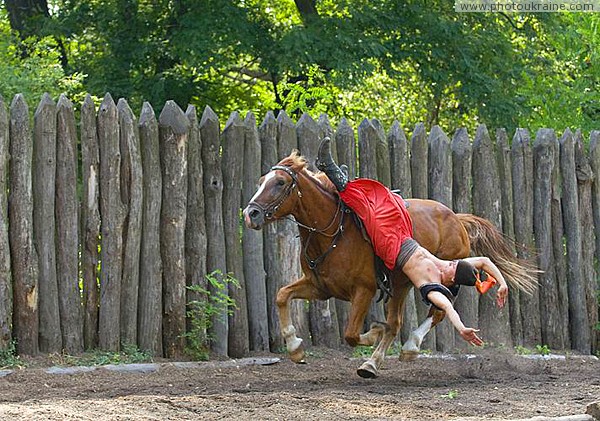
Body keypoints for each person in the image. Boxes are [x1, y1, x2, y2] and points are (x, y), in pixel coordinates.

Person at [316, 137, 508, 346]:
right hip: (403, 233)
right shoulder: (444, 265)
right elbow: (485, 261)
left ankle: (333, 174)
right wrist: (502, 283)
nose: (450, 262)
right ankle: (342, 182)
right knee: (389, 201)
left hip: (390, 246)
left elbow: (448, 308)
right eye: (454, 262)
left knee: (368, 210)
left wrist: (462, 328)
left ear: (450, 279)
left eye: (453, 266)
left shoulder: (431, 284)